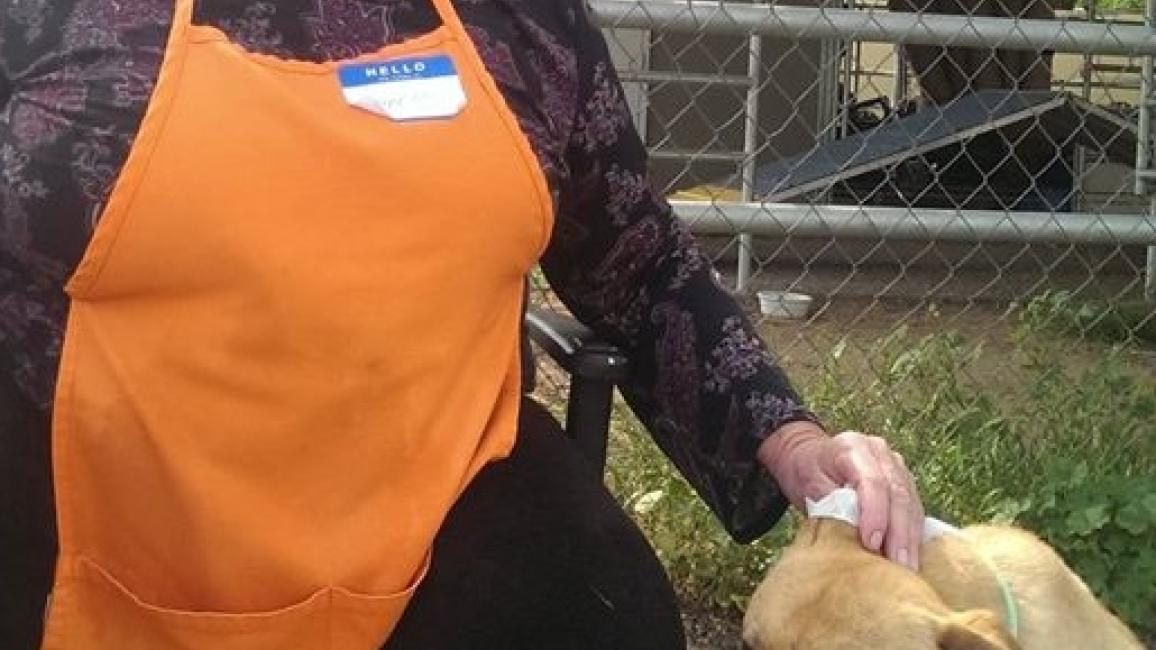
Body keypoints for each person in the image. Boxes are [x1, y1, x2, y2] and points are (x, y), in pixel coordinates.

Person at [0, 1, 924, 648]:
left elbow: (633, 259)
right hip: (84, 509)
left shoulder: (523, 21)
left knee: (608, 614)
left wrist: (791, 438)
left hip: (434, 513)